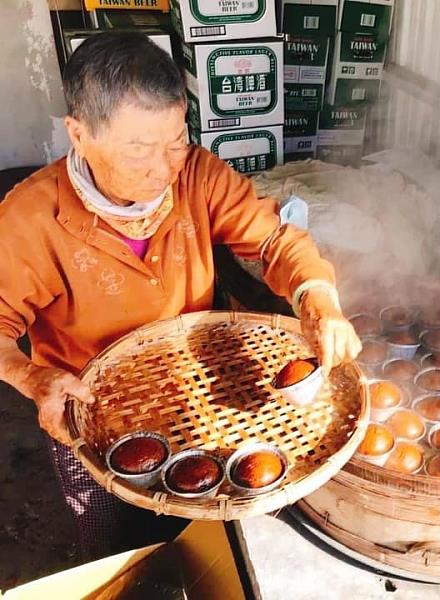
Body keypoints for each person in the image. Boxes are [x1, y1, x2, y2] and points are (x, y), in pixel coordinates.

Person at [0, 32, 361, 559]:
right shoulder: (30, 220)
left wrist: (318, 297)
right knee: (109, 539)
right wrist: (32, 376)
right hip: (89, 415)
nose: (164, 168)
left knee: (200, 537)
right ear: (79, 136)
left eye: (175, 141)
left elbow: (275, 238)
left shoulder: (198, 176)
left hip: (197, 401)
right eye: (139, 149)